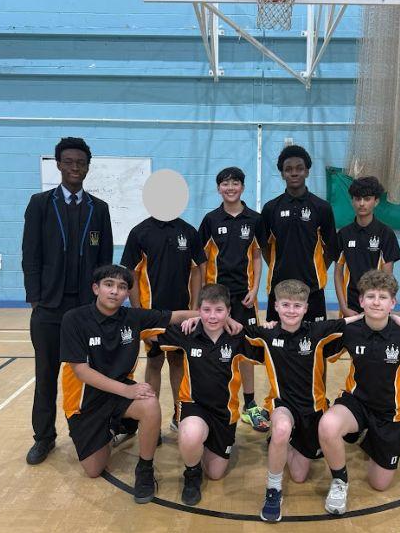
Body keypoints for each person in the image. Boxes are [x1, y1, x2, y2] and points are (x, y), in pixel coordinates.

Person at [60, 265, 199, 503]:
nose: (115, 291)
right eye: (109, 285)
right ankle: (114, 426)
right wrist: (127, 390)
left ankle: (144, 469)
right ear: (96, 288)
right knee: (94, 469)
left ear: (127, 294)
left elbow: (176, 316)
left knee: (149, 403)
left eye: (122, 287)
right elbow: (82, 371)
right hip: (85, 401)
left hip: (119, 395)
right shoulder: (74, 319)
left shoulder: (133, 318)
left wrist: (216, 316)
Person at [22, 137, 113, 465]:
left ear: (88, 167)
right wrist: (36, 299)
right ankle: (44, 437)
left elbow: (104, 260)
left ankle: (94, 433)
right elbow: (30, 254)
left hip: (86, 309)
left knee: (93, 375)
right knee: (45, 375)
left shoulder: (99, 209)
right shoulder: (40, 204)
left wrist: (102, 303)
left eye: (81, 163)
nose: (75, 167)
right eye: (69, 162)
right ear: (59, 165)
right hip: (49, 307)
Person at [243, 279, 357, 522]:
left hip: (312, 410)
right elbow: (228, 327)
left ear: (306, 308)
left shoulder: (317, 332)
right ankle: (273, 489)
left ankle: (283, 441)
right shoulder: (266, 334)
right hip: (282, 406)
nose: (291, 311)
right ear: (275, 306)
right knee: (282, 428)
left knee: (298, 476)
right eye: (285, 305)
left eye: (297, 306)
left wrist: (393, 317)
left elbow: (354, 321)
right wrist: (195, 319)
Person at [318, 270, 400, 515]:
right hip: (356, 404)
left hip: (390, 413)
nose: (376, 302)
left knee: (379, 484)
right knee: (328, 425)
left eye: (383, 297)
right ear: (361, 300)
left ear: (393, 303)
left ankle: (369, 438)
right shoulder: (351, 331)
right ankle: (339, 482)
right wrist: (355, 318)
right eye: (371, 297)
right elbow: (316, 333)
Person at [152, 284, 256, 507]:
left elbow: (273, 339)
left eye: (219, 310)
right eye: (206, 310)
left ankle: (206, 441)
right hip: (194, 405)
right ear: (198, 310)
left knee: (216, 473)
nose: (212, 316)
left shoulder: (239, 336)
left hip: (224, 412)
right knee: (190, 435)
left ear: (229, 311)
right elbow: (149, 329)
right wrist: (190, 318)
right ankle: (191, 474)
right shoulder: (187, 332)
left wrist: (272, 325)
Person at [121, 210, 206, 437]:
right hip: (152, 315)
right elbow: (131, 275)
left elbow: (197, 270)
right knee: (154, 363)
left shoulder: (188, 231)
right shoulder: (140, 232)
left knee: (178, 363)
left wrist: (194, 311)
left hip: (182, 315)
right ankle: (152, 421)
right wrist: (139, 314)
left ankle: (179, 417)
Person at [198, 167, 269, 432]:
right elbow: (202, 260)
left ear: (242, 187)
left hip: (244, 297)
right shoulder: (210, 220)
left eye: (235, 183)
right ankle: (212, 402)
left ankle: (250, 405)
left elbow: (257, 256)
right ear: (218, 188)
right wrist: (204, 295)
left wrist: (256, 288)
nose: (230, 188)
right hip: (216, 299)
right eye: (225, 183)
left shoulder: (255, 219)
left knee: (247, 349)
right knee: (213, 349)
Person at [261, 145, 338, 323]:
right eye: (288, 169)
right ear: (282, 174)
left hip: (312, 289)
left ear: (307, 172)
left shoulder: (322, 207)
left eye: (299, 168)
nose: (294, 173)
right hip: (279, 287)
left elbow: (330, 249)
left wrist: (315, 271)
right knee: (277, 338)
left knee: (314, 337)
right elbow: (264, 247)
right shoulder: (271, 208)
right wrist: (278, 266)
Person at [334, 176, 400, 316]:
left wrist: (380, 305)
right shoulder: (344, 234)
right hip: (350, 307)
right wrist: (343, 307)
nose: (362, 203)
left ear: (376, 201)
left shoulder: (386, 233)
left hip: (375, 305)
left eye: (367, 199)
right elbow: (338, 274)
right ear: (352, 201)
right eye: (357, 199)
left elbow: (387, 277)